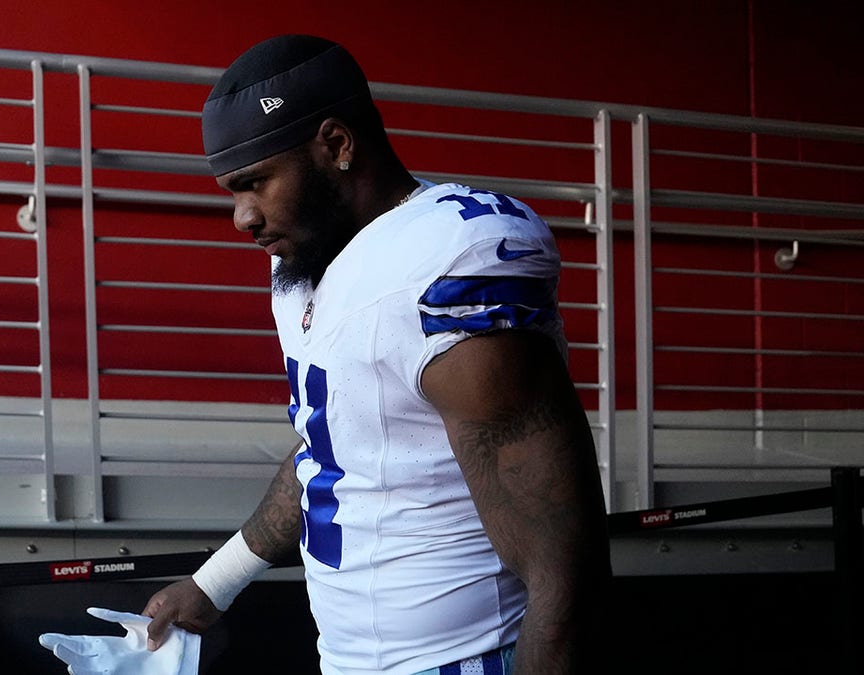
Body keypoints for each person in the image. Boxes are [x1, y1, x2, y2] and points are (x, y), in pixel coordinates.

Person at [142, 35, 610, 675]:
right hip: (349, 660)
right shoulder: (303, 265)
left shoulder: (447, 256)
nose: (241, 217)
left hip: (465, 659)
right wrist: (215, 582)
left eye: (255, 183)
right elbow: (331, 446)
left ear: (336, 146)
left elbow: (564, 561)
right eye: (231, 190)